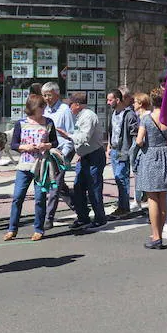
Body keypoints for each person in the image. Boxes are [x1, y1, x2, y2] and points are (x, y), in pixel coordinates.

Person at [4, 94, 58, 241]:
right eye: (41, 107)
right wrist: (24, 147)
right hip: (24, 165)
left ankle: (39, 229)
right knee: (17, 197)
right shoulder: (21, 123)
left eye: (44, 107)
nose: (43, 110)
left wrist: (47, 145)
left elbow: (55, 142)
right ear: (34, 108)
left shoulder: (49, 123)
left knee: (40, 198)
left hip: (42, 166)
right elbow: (14, 144)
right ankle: (12, 229)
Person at [135, 88, 167, 249]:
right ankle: (160, 232)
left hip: (151, 155)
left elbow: (139, 141)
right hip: (166, 153)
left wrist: (145, 144)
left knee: (152, 197)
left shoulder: (146, 119)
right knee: (163, 197)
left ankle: (156, 236)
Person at [67, 92, 105, 231]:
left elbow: (85, 137)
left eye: (70, 104)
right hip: (84, 156)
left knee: (94, 187)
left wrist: (68, 136)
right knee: (78, 187)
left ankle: (100, 218)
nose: (69, 107)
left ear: (77, 104)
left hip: (94, 155)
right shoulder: (79, 116)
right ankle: (83, 216)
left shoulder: (88, 116)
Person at [42, 82, 76, 229]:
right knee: (60, 187)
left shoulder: (64, 110)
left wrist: (65, 155)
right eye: (44, 95)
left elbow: (70, 134)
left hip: (62, 151)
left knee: (54, 184)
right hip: (49, 152)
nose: (46, 98)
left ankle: (48, 218)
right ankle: (80, 209)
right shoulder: (46, 111)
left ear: (56, 94)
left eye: (49, 95)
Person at [107, 89, 139, 219]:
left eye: (110, 100)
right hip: (114, 150)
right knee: (118, 178)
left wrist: (130, 151)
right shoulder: (113, 113)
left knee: (121, 178)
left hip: (123, 150)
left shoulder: (129, 115)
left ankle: (124, 207)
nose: (108, 102)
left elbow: (134, 134)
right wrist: (109, 146)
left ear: (117, 100)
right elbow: (111, 131)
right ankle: (122, 204)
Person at [130, 93, 152, 214]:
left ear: (141, 103)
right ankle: (138, 200)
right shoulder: (141, 116)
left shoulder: (146, 117)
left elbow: (141, 140)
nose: (133, 104)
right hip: (141, 151)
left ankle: (142, 202)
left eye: (135, 102)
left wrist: (141, 144)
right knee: (138, 176)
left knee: (142, 177)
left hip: (144, 151)